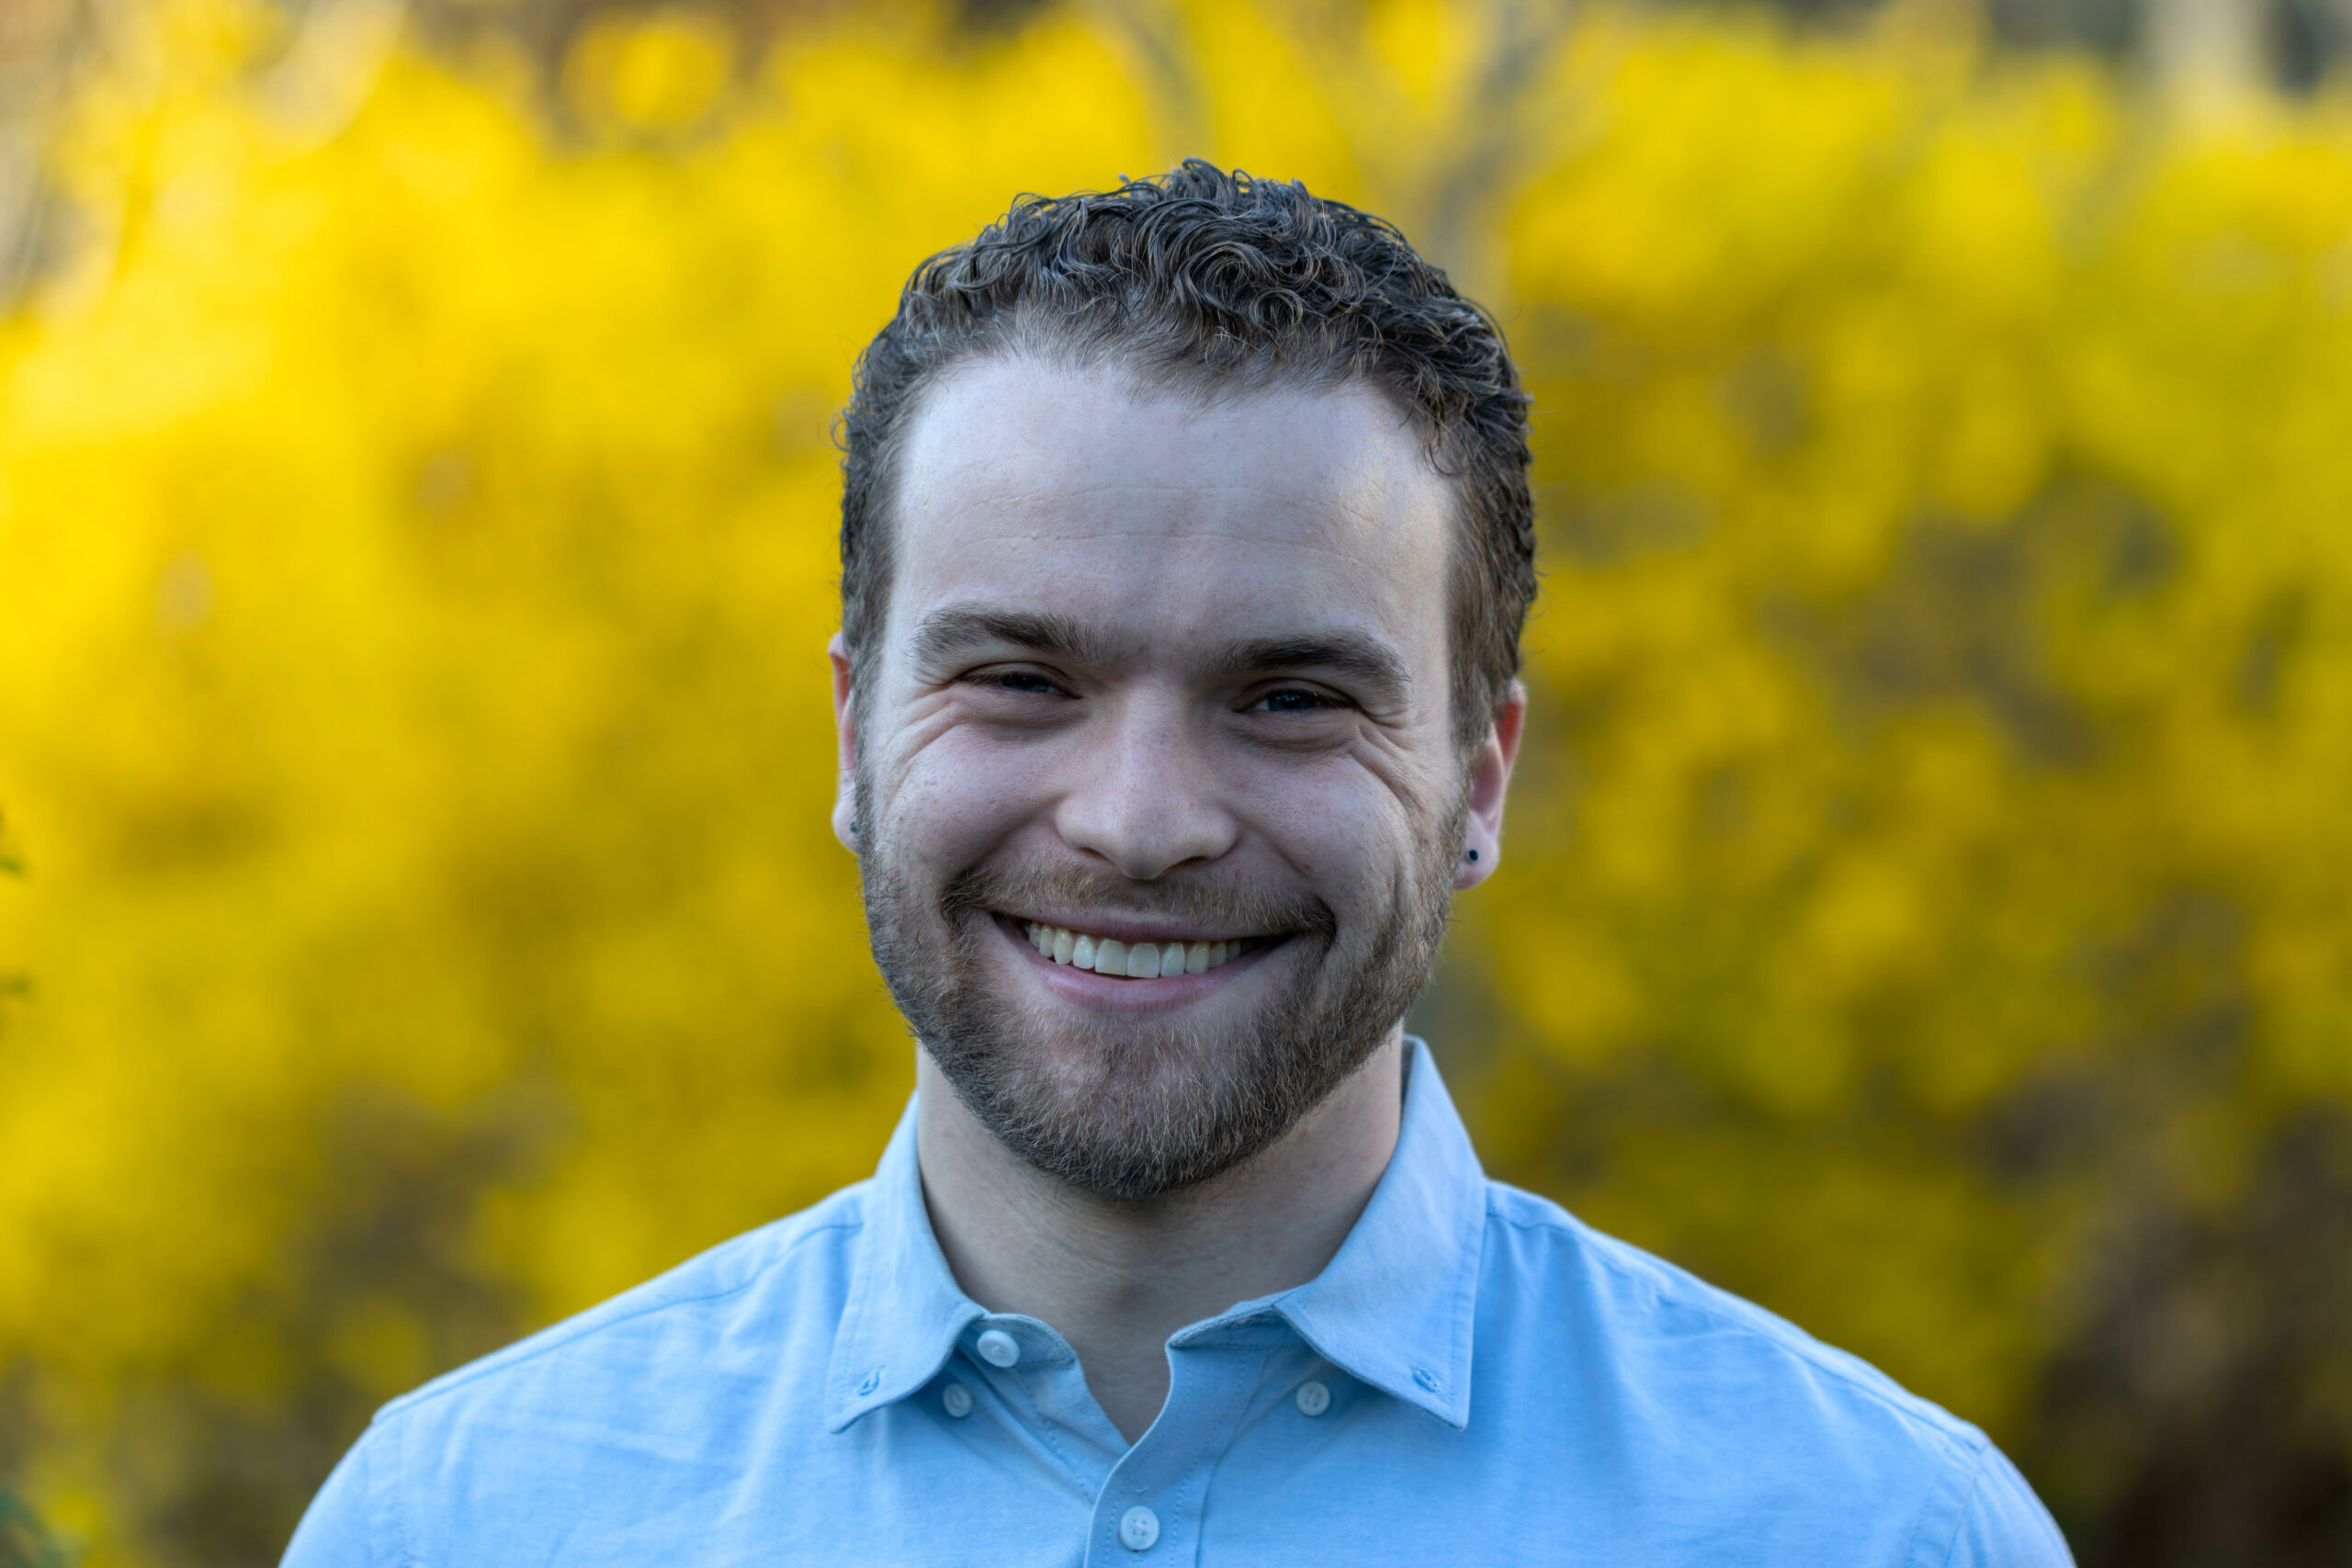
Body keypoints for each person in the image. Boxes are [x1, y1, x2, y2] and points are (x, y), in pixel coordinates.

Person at [283, 162, 2072, 1565]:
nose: (1138, 820)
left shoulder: (1872, 1534)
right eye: (1020, 677)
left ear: (1478, 773)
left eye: (1287, 694)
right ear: (848, 733)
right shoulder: (461, 1525)